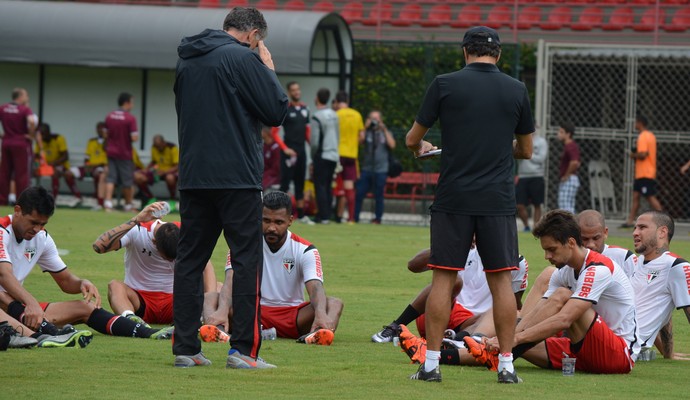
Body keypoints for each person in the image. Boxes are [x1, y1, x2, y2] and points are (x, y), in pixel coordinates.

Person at [403, 26, 534, 383]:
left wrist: (421, 149)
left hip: (454, 198)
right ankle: (505, 366)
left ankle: (430, 364)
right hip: (497, 200)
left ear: (464, 52)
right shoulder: (516, 89)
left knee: (443, 278)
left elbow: (413, 138)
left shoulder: (444, 84)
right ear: (499, 55)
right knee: (502, 284)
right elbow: (525, 150)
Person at [173, 7, 288, 369]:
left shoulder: (188, 58)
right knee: (246, 262)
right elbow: (276, 111)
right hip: (236, 176)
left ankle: (186, 350)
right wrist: (268, 69)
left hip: (194, 175)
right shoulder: (241, 57)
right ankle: (243, 351)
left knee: (190, 262)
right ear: (253, 35)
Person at [466, 210, 639, 375]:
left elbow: (564, 319)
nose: (546, 256)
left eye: (552, 249)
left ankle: (499, 351)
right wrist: (505, 340)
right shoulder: (563, 272)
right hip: (580, 347)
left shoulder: (598, 269)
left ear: (571, 243)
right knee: (510, 343)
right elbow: (540, 312)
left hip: (618, 355)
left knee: (562, 297)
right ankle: (447, 354)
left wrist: (515, 339)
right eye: (545, 250)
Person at [0, 186, 175, 344]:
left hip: (16, 308)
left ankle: (148, 333)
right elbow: (4, 275)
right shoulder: (2, 230)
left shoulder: (42, 238)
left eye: (42, 224)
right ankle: (42, 337)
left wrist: (82, 283)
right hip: (10, 306)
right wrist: (31, 303)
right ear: (17, 211)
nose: (37, 229)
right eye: (33, 222)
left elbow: (65, 281)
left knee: (85, 307)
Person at [204, 191, 343, 344]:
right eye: (266, 220)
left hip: (293, 316)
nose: (271, 228)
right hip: (252, 311)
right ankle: (219, 330)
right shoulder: (244, 245)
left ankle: (318, 333)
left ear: (290, 220)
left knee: (334, 304)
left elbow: (315, 287)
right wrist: (223, 311)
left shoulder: (306, 249)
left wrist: (321, 314)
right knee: (210, 297)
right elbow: (231, 280)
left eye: (278, 222)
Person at [372, 245, 528, 346]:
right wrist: (451, 244)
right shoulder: (462, 249)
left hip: (476, 325)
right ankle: (396, 326)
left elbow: (514, 303)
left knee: (509, 312)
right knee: (454, 282)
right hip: (440, 312)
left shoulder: (518, 262)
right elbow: (413, 266)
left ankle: (456, 340)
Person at [92, 202, 217, 326]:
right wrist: (136, 219)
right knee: (115, 286)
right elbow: (98, 247)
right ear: (154, 242)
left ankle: (206, 320)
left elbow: (206, 264)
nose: (170, 262)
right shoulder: (138, 230)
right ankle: (131, 320)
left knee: (218, 288)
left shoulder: (185, 234)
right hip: (139, 300)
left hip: (176, 300)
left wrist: (208, 301)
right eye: (166, 257)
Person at [631, 211, 690, 359]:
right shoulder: (637, 262)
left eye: (642, 227)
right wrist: (668, 353)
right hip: (614, 335)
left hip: (622, 343)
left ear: (662, 232)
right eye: (635, 228)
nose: (635, 233)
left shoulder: (676, 266)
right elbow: (662, 309)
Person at [271, 81, 312, 224]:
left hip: (302, 153)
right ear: (289, 92)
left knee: (300, 183)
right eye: (293, 90)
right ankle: (276, 214)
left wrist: (312, 148)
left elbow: (307, 132)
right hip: (288, 154)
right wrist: (285, 148)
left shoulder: (305, 109)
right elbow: (274, 133)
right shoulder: (286, 109)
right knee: (285, 185)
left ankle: (301, 216)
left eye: (298, 89)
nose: (297, 92)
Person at [354, 110, 395, 224]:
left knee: (379, 195)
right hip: (367, 168)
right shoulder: (366, 132)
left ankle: (378, 219)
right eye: (372, 118)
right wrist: (365, 128)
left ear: (381, 120)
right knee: (360, 193)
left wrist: (384, 129)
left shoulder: (384, 132)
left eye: (376, 119)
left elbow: (392, 145)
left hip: (381, 169)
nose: (374, 121)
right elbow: (359, 142)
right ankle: (355, 217)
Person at [621, 116, 662, 228]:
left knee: (650, 197)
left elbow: (643, 154)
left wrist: (633, 155)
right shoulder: (651, 136)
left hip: (645, 173)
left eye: (635, 122)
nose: (634, 124)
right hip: (643, 173)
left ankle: (664, 219)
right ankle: (630, 221)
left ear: (640, 123)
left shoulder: (643, 136)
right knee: (636, 196)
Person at [0, 88, 36, 205]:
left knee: (4, 173)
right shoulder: (24, 109)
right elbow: (31, 121)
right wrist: (31, 135)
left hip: (6, 143)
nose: (27, 98)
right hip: (21, 143)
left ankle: (2, 200)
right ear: (20, 96)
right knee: (22, 174)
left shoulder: (3, 108)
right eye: (26, 95)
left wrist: (2, 135)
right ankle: (22, 202)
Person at [103, 92, 138, 212]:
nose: (132, 105)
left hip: (111, 151)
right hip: (124, 153)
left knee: (111, 178)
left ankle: (107, 203)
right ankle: (128, 205)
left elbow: (105, 134)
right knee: (127, 180)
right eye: (132, 102)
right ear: (127, 102)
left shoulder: (109, 116)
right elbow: (134, 137)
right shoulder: (130, 118)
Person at [310, 88, 339, 224]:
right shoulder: (334, 114)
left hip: (322, 154)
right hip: (333, 154)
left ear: (317, 98)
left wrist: (312, 156)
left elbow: (314, 141)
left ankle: (323, 216)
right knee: (328, 186)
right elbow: (337, 135)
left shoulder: (317, 116)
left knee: (320, 186)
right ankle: (327, 214)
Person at [34, 123, 83, 204]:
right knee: (30, 172)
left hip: (59, 165)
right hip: (45, 167)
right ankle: (33, 199)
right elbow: (36, 157)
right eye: (40, 135)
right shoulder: (39, 142)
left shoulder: (58, 138)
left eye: (43, 134)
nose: (42, 136)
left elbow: (65, 156)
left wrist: (52, 164)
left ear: (48, 132)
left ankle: (53, 199)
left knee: (56, 173)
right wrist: (37, 166)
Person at [335, 91, 364, 224]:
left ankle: (334, 215)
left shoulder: (336, 115)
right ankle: (351, 218)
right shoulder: (357, 115)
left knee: (334, 184)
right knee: (349, 186)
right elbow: (361, 137)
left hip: (338, 153)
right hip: (352, 155)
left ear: (337, 102)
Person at [516, 129, 547, 231]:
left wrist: (527, 153)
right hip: (523, 176)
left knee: (537, 204)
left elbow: (541, 158)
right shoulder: (519, 140)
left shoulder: (541, 142)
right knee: (519, 205)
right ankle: (526, 226)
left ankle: (536, 229)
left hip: (537, 176)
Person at [134, 134, 179, 204]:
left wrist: (164, 172)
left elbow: (177, 166)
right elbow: (154, 162)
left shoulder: (172, 147)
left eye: (159, 146)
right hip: (157, 172)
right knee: (138, 177)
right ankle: (151, 198)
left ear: (164, 142)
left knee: (170, 178)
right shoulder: (154, 147)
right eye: (156, 146)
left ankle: (172, 200)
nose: (158, 148)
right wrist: (146, 169)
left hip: (170, 172)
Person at [83, 122, 108, 210]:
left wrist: (106, 138)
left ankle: (99, 201)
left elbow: (106, 150)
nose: (100, 130)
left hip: (103, 167)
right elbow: (87, 157)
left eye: (102, 128)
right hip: (90, 166)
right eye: (98, 128)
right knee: (69, 173)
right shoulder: (92, 141)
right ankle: (78, 197)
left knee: (99, 174)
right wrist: (86, 165)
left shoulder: (109, 141)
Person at [557, 122, 580, 213]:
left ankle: (568, 227)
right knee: (567, 206)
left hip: (569, 179)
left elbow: (574, 162)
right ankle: (569, 226)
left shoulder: (570, 146)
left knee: (565, 208)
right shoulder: (570, 146)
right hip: (570, 178)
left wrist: (566, 175)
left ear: (568, 134)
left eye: (561, 132)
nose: (558, 134)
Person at [262, 126, 281, 191]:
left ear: (266, 132)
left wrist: (264, 174)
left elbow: (276, 168)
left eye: (262, 130)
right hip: (263, 173)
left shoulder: (275, 147)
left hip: (272, 176)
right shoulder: (263, 146)